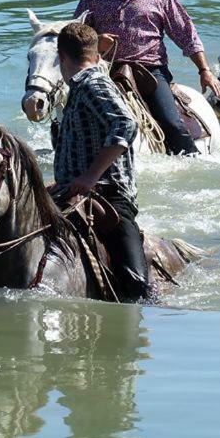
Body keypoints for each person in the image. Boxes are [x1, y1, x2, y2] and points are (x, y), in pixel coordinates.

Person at [76, 0, 220, 155]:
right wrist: (95, 42)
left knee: (172, 123)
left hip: (150, 70)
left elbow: (186, 33)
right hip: (105, 69)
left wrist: (204, 70)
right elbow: (75, 35)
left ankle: (193, 161)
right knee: (71, 117)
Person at [53, 23, 149, 302]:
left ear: (61, 57)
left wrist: (91, 177)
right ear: (96, 53)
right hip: (73, 192)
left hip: (108, 194)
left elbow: (126, 123)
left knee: (135, 286)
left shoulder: (92, 83)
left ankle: (146, 301)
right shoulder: (79, 87)